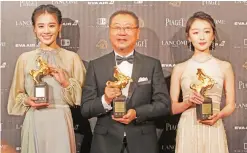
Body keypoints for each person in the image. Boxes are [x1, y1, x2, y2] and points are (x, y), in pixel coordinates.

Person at [81, 10, 170, 153]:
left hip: (143, 142)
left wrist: (137, 112)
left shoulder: (152, 65)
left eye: (128, 28)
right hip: (105, 143)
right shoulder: (96, 65)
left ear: (137, 33)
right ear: (110, 32)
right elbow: (86, 109)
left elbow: (163, 105)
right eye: (117, 27)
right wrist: (105, 100)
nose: (122, 32)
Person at [7, 4, 86, 153]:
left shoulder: (72, 59)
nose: (46, 31)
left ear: (60, 27)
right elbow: (16, 97)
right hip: (35, 120)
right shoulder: (24, 59)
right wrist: (27, 100)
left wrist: (66, 82)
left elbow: (81, 99)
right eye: (41, 26)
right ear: (34, 29)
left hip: (61, 121)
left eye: (51, 25)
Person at [170, 11, 235, 153]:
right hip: (188, 126)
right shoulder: (179, 69)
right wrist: (188, 102)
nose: (201, 37)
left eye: (206, 31)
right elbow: (173, 108)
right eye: (195, 32)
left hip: (214, 125)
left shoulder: (225, 66)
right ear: (188, 36)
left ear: (213, 35)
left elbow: (231, 104)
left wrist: (219, 115)